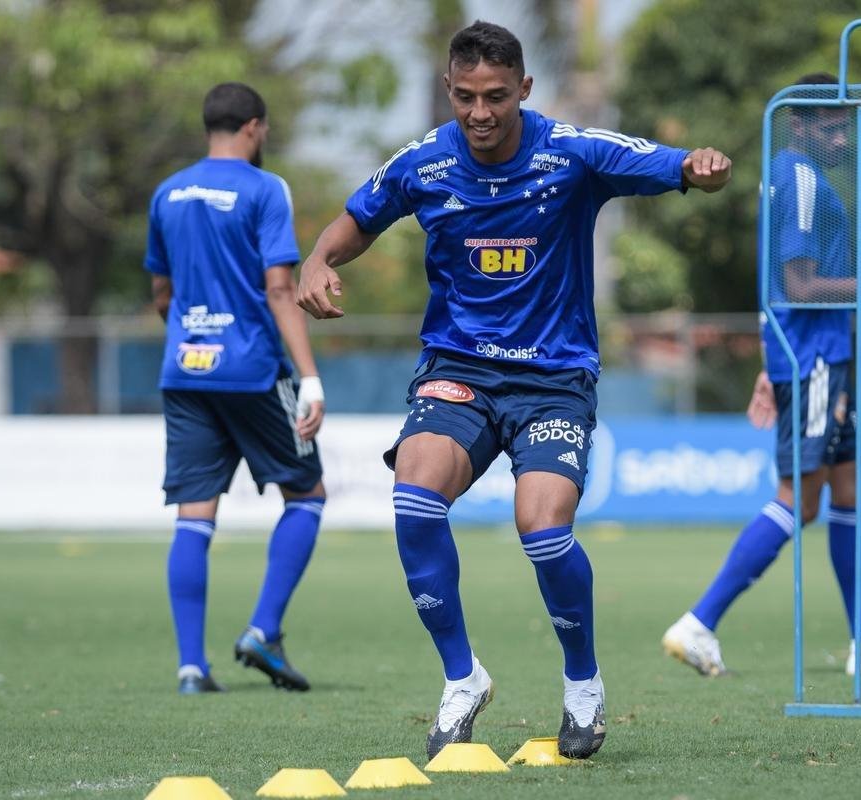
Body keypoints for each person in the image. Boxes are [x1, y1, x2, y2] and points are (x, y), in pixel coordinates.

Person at [297, 21, 730, 759]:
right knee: (413, 496)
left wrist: (697, 165)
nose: (480, 112)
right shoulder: (425, 163)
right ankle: (462, 677)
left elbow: (664, 162)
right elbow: (352, 222)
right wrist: (317, 262)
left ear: (523, 90)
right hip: (459, 371)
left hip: (553, 381)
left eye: (496, 96)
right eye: (465, 96)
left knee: (543, 528)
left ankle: (584, 686)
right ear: (449, 90)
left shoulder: (570, 153)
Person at [662, 73, 861, 678]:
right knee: (799, 501)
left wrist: (766, 359)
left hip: (820, 355)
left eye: (847, 125)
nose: (843, 137)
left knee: (853, 489)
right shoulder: (798, 176)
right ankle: (698, 622)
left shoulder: (796, 176)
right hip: (815, 359)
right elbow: (798, 285)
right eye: (833, 125)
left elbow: (774, 286)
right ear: (799, 123)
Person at [145, 82, 327, 695]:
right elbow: (280, 288)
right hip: (252, 370)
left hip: (185, 372)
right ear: (255, 127)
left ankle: (191, 666)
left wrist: (190, 339)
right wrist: (310, 378)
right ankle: (262, 630)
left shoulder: (167, 193)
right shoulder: (264, 187)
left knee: (194, 516)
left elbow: (161, 294)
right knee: (307, 493)